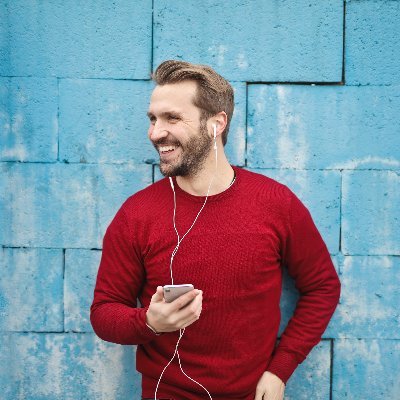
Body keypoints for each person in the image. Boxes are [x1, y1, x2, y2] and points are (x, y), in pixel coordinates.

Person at [90, 60, 341, 400]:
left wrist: (280, 369)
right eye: (153, 119)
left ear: (216, 123)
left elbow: (322, 287)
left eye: (172, 118)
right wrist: (150, 323)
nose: (155, 132)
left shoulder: (275, 203)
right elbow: (105, 312)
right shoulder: (136, 215)